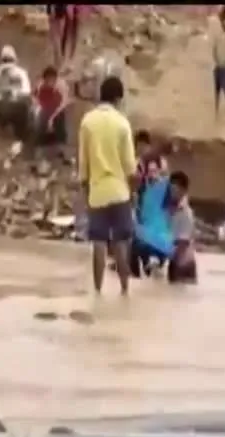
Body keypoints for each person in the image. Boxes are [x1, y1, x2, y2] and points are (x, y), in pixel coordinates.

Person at [78, 76, 138, 295]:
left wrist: (85, 191)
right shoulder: (122, 123)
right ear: (118, 98)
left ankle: (97, 291)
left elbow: (83, 163)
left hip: (97, 192)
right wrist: (133, 194)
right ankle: (124, 291)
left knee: (99, 244)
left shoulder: (87, 122)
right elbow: (130, 166)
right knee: (121, 244)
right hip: (119, 191)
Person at [0, 45, 32, 145]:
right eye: (5, 60)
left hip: (16, 107)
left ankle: (22, 135)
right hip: (2, 106)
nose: (7, 63)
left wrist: (14, 93)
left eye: (9, 60)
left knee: (25, 104)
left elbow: (26, 92)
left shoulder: (21, 73)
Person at [130, 154, 172, 278]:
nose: (152, 174)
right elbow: (137, 213)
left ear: (159, 171)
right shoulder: (141, 189)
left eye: (155, 171)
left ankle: (154, 263)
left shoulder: (166, 188)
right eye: (150, 171)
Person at [168, 170, 198, 285]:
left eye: (175, 189)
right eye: (170, 189)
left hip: (183, 265)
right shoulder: (171, 209)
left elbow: (182, 243)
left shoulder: (186, 213)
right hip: (174, 261)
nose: (172, 192)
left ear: (183, 190)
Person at [34, 66, 70, 158]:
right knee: (39, 121)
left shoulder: (61, 85)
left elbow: (64, 103)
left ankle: (62, 147)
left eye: (52, 79)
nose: (50, 82)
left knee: (60, 120)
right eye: (47, 80)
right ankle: (39, 145)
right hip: (46, 106)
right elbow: (38, 100)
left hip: (58, 107)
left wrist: (52, 117)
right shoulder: (41, 85)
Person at [46, 4, 81, 68]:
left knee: (60, 38)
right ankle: (61, 60)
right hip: (61, 15)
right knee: (59, 39)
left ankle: (62, 60)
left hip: (62, 15)